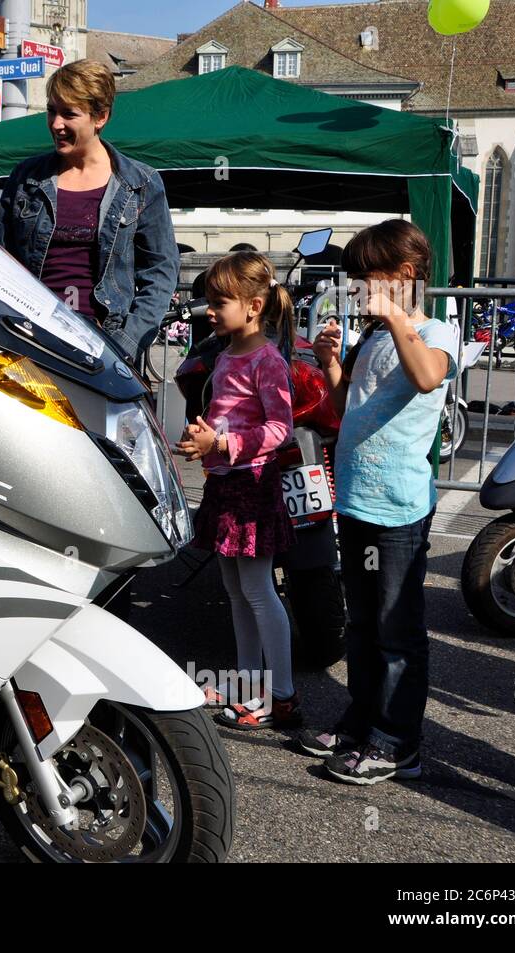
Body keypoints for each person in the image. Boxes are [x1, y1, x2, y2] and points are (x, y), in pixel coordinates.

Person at [307, 220, 457, 785]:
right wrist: (330, 366)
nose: (359, 290)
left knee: (397, 630)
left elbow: (425, 378)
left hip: (399, 508)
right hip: (357, 499)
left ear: (407, 276)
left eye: (369, 279)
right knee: (364, 625)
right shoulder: (373, 336)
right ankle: (359, 725)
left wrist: (394, 316)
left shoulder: (439, 332)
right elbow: (349, 405)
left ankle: (398, 744)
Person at [177, 251, 300, 729]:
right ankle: (248, 683)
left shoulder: (267, 361)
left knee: (256, 588)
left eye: (219, 301)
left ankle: (283, 695)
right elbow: (228, 419)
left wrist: (223, 443)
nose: (210, 309)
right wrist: (202, 445)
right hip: (227, 484)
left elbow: (280, 429)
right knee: (234, 588)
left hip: (253, 486)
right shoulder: (226, 352)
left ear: (253, 306)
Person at [0, 59, 179, 367]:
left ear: (100, 117)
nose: (56, 124)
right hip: (30, 339)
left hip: (104, 347)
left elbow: (160, 274)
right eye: (52, 110)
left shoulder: (140, 183)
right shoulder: (26, 177)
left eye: (69, 114)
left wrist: (122, 346)